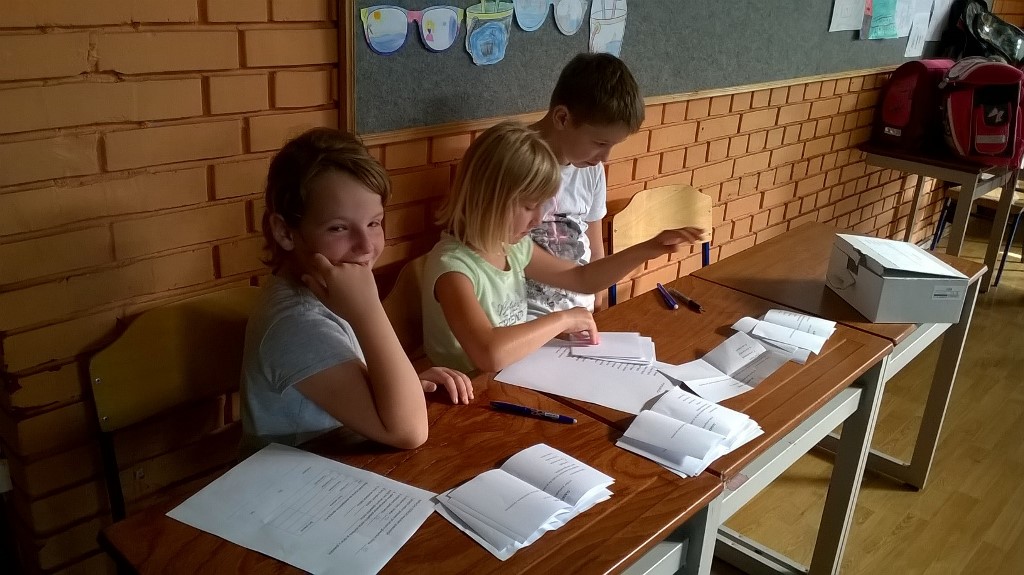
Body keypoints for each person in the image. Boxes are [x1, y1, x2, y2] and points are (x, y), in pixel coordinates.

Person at [240, 127, 472, 455]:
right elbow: (408, 432)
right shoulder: (296, 323)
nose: (365, 246)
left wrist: (407, 384)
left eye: (374, 223)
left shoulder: (327, 291)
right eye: (338, 228)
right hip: (295, 479)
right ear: (285, 232)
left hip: (341, 457)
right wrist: (368, 310)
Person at [422, 121, 702, 374]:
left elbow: (582, 278)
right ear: (489, 199)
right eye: (529, 206)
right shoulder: (453, 268)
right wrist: (563, 320)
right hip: (465, 396)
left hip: (512, 375)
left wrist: (648, 248)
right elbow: (489, 353)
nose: (538, 219)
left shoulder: (512, 248)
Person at [525, 52, 645, 318]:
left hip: (581, 315)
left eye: (612, 145)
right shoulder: (512, 160)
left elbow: (594, 243)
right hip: (529, 319)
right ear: (562, 118)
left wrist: (597, 305)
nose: (605, 157)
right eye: (600, 143)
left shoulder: (592, 169)